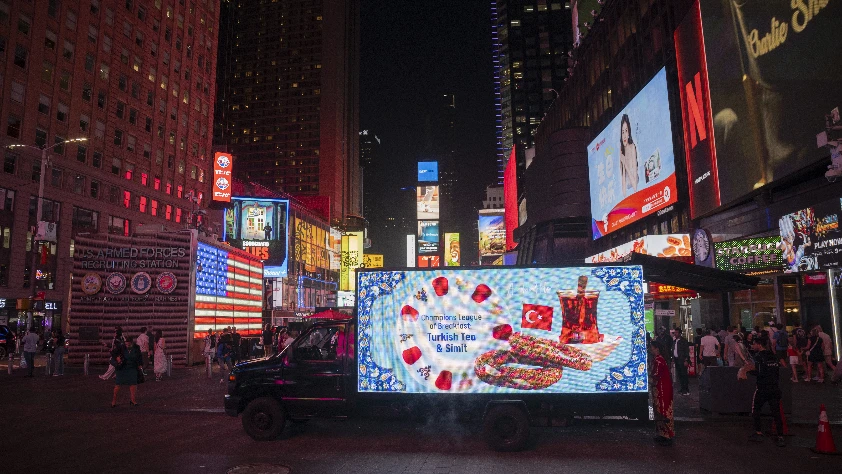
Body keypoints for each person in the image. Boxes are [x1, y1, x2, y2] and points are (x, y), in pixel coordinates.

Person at [747, 335, 786, 447]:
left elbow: (759, 372)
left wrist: (748, 371)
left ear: (759, 344)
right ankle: (780, 436)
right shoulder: (773, 356)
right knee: (776, 412)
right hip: (774, 387)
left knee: (756, 409)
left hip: (763, 388)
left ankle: (758, 432)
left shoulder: (758, 357)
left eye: (754, 344)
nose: (753, 346)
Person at [648, 341, 673, 446]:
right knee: (659, 410)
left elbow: (655, 376)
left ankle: (667, 434)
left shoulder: (659, 361)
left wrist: (647, 379)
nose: (651, 350)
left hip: (662, 390)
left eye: (652, 348)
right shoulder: (659, 359)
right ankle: (662, 433)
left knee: (662, 410)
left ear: (657, 349)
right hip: (660, 389)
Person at [112, 336, 143, 407]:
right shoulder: (121, 347)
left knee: (133, 384)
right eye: (126, 344)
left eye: (128, 344)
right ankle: (114, 401)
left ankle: (133, 400)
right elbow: (113, 353)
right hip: (122, 368)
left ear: (132, 343)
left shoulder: (136, 347)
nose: (127, 345)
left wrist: (140, 364)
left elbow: (139, 356)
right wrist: (117, 358)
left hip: (132, 367)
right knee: (118, 384)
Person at [619, 114, 638, 195]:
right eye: (622, 132)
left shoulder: (632, 147)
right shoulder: (621, 151)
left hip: (636, 184)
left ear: (629, 132)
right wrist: (623, 164)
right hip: (629, 192)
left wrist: (625, 163)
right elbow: (624, 192)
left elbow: (635, 186)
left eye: (626, 131)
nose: (624, 135)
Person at [671, 329, 690, 395]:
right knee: (679, 374)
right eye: (675, 333)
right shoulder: (675, 341)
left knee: (684, 374)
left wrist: (686, 360)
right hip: (676, 359)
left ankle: (686, 389)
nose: (675, 334)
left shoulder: (683, 341)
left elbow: (686, 351)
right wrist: (673, 359)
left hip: (682, 359)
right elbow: (673, 350)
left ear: (680, 333)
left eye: (676, 332)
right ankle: (682, 388)